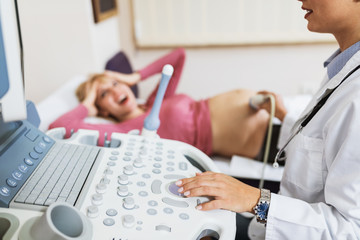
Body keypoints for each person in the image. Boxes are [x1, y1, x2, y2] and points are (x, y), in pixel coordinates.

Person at [176, 0, 360, 239]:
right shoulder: (343, 69)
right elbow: (324, 149)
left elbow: (351, 230)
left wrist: (255, 199)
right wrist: (285, 118)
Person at [49, 48, 275, 159]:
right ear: (102, 109)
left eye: (116, 83)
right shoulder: (125, 131)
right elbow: (58, 126)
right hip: (263, 141)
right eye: (104, 94)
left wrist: (135, 77)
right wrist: (88, 103)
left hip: (272, 117)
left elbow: (179, 56)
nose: (116, 89)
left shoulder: (155, 102)